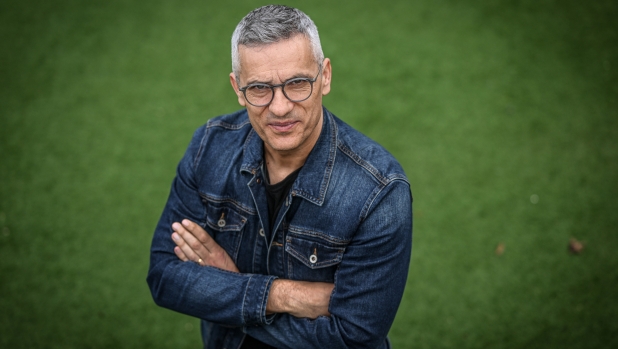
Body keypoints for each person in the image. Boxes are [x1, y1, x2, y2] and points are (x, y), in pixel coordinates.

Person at [147, 5, 412, 349]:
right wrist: (282, 295)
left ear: (325, 76)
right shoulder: (209, 146)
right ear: (237, 88)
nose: (280, 107)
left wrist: (228, 287)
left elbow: (353, 337)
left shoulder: (380, 192)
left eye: (297, 83)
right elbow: (165, 276)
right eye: (259, 88)